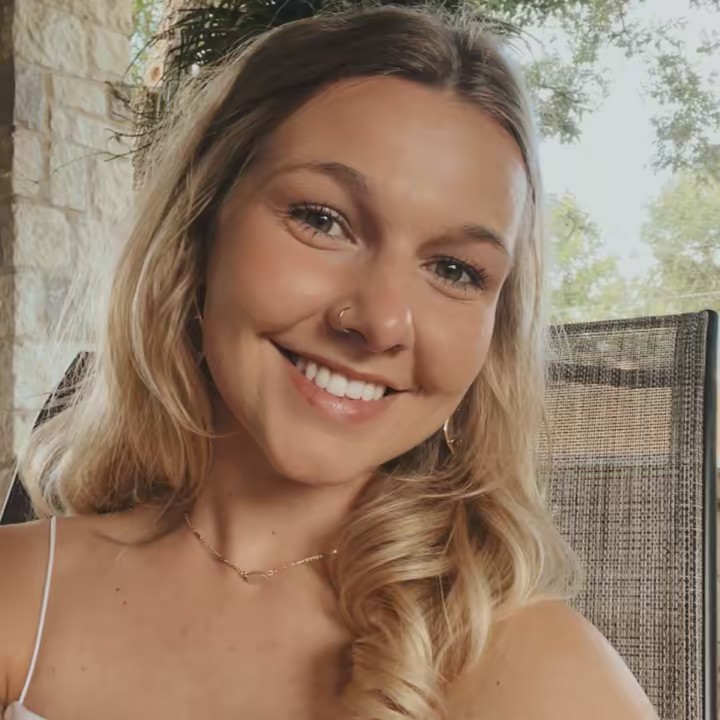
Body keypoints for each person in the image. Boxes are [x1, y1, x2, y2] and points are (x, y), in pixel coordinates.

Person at [0, 5, 659, 719]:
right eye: (323, 220)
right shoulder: (19, 594)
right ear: (199, 230)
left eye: (454, 270)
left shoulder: (542, 673)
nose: (379, 321)